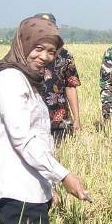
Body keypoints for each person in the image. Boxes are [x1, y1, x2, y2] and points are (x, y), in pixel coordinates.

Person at [0, 17, 90, 224]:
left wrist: (46, 186)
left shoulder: (28, 80)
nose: (45, 57)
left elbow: (37, 138)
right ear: (23, 43)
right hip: (15, 188)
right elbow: (24, 140)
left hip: (28, 185)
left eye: (51, 51)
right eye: (38, 48)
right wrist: (63, 176)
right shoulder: (11, 79)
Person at [33, 13, 82, 141]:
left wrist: (76, 119)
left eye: (50, 28)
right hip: (31, 122)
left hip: (59, 121)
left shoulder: (65, 56)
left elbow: (70, 87)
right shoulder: (25, 55)